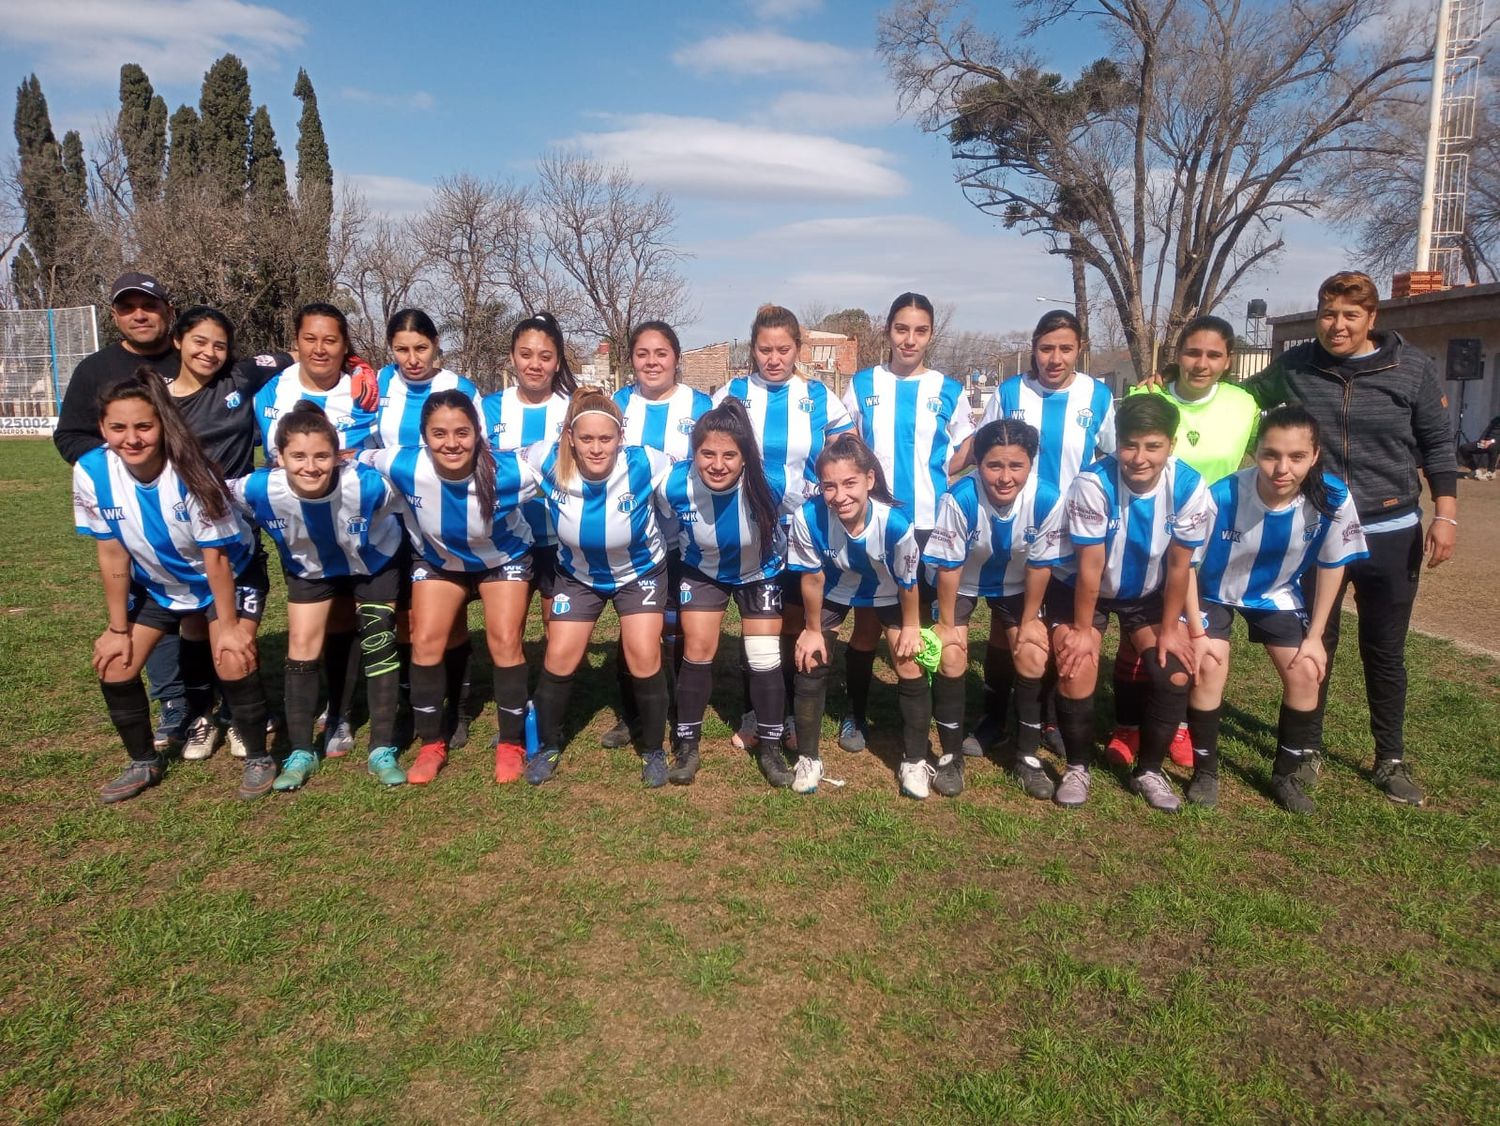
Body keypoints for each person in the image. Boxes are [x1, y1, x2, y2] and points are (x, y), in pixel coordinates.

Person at [1234, 272, 1455, 806]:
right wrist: (1172, 382)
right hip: (1317, 532)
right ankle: (1303, 751)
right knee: (1315, 643)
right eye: (1329, 314)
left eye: (1350, 316)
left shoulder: (1412, 368)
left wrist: (1445, 514)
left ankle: (1390, 759)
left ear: (1371, 319)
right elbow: (1235, 400)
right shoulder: (1297, 365)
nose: (1337, 326)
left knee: (1385, 650)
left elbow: (1438, 443)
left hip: (1391, 528)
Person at [73, 369, 273, 803]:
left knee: (231, 657)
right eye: (118, 427)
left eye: (144, 426)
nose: (132, 438)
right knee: (115, 664)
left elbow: (216, 558)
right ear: (103, 428)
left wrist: (231, 625)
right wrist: (117, 628)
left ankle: (259, 755)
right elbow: (111, 553)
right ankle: (143, 762)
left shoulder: (192, 472)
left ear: (162, 425)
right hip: (160, 585)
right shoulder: (91, 470)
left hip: (229, 576)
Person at [1186, 406, 1368, 811]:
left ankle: (1286, 774)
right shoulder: (1222, 495)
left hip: (1275, 592)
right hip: (1211, 592)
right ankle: (1205, 771)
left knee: (1306, 671)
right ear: (1255, 451)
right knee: (1209, 665)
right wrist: (1196, 634)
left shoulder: (1333, 497)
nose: (1282, 468)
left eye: (1296, 457)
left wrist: (1316, 637)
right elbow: (1185, 567)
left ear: (1315, 455)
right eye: (1271, 454)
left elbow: (1332, 565)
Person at [360, 392, 539, 786]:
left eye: (462, 432)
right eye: (439, 433)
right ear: (424, 436)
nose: (452, 443)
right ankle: (431, 743)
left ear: (478, 433)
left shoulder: (510, 471)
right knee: (424, 641)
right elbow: (358, 458)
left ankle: (511, 745)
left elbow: (555, 466)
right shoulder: (402, 463)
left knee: (505, 640)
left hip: (503, 559)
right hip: (439, 562)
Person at [1043, 394, 1210, 813]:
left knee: (1173, 672)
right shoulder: (1093, 483)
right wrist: (1083, 632)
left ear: (1171, 445)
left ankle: (1148, 771)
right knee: (1076, 664)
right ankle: (1078, 766)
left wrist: (1172, 629)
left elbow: (1178, 567)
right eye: (1129, 445)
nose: (1139, 457)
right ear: (1117, 443)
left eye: (1152, 446)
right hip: (1084, 589)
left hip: (1146, 592)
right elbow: (1089, 566)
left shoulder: (1190, 487)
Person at [231, 401, 409, 790]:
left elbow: (411, 502)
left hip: (374, 561)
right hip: (310, 568)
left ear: (339, 456)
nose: (310, 466)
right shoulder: (259, 488)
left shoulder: (368, 484)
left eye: (321, 456)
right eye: (298, 456)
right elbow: (214, 500)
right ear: (279, 457)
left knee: (378, 640)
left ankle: (382, 747)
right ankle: (301, 751)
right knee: (301, 647)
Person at [1109, 315, 1260, 771]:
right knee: (1135, 634)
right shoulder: (1145, 396)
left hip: (1209, 540)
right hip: (1144, 533)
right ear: (1176, 355)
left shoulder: (1244, 404)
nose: (1201, 363)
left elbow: (1264, 457)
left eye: (1214, 355)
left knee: (1192, 634)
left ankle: (1176, 725)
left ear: (1228, 360)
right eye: (1193, 352)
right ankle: (1127, 725)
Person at [969, 308, 1116, 757]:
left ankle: (1048, 716)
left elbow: (1112, 457)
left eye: (1065, 348)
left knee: (1061, 625)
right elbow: (986, 445)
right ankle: (995, 715)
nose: (1055, 358)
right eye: (1046, 348)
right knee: (1005, 624)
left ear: (1079, 350)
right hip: (1019, 528)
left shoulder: (1098, 395)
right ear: (1034, 348)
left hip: (1075, 532)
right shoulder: (1012, 391)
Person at [713, 305, 854, 750]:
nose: (773, 359)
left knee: (793, 617)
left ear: (799, 350)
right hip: (748, 523)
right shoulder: (732, 392)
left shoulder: (818, 396)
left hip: (806, 525)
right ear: (752, 348)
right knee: (760, 620)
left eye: (783, 350)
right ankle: (755, 713)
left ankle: (790, 710)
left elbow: (844, 451)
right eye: (764, 349)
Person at [839, 291, 974, 754]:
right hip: (875, 523)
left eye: (919, 330)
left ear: (930, 334)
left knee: (928, 623)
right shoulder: (861, 384)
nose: (909, 339)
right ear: (888, 332)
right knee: (868, 626)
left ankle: (929, 710)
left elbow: (962, 450)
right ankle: (854, 716)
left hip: (928, 524)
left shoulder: (949, 390)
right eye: (901, 329)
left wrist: (938, 476)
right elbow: (847, 445)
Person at [55, 273, 187, 749]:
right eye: (128, 307)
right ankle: (174, 704)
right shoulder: (95, 369)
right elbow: (69, 435)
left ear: (167, 310)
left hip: (192, 510)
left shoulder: (190, 358)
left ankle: (212, 700)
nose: (139, 314)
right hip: (130, 516)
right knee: (149, 604)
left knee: (200, 606)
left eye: (148, 306)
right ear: (115, 316)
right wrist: (120, 469)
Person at [524, 391, 675, 787]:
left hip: (639, 571)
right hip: (578, 575)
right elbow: (493, 462)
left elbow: (692, 477)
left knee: (643, 652)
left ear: (620, 436)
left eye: (605, 439)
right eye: (586, 439)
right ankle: (547, 745)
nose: (596, 448)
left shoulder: (645, 461)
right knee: (559, 655)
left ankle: (654, 749)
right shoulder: (544, 459)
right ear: (570, 437)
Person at [253, 303, 380, 761]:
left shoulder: (368, 390)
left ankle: (341, 713)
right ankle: (315, 718)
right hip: (301, 532)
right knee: (310, 630)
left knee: (350, 621)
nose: (320, 348)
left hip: (361, 531)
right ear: (296, 343)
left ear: (346, 347)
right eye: (311, 339)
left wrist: (364, 368)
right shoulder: (270, 392)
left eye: (331, 340)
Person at [655, 399, 798, 787]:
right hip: (703, 572)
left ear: (745, 456)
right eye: (707, 454)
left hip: (760, 571)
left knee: (764, 654)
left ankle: (770, 747)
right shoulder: (672, 484)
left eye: (729, 455)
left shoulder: (774, 480)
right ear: (694, 452)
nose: (718, 464)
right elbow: (659, 524)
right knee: (698, 649)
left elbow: (816, 507)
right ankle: (687, 745)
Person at [923, 419, 1067, 800]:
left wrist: (1031, 618)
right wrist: (947, 624)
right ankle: (951, 756)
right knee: (952, 654)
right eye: (994, 465)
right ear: (978, 464)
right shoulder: (961, 498)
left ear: (1031, 465)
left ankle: (1027, 757)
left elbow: (1040, 565)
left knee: (1034, 654)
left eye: (1016, 466)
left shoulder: (1047, 498)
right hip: (962, 580)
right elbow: (949, 567)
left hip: (1017, 583)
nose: (1005, 477)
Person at [787, 434, 929, 798]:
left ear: (869, 479)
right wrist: (812, 629)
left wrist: (911, 627)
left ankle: (914, 760)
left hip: (887, 590)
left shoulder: (895, 523)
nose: (840, 495)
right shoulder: (808, 516)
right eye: (829, 486)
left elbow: (907, 580)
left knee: (909, 661)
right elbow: (813, 577)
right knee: (811, 659)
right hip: (835, 586)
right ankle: (808, 758)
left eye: (850, 483)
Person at [371, 309, 483, 752]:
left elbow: (477, 449)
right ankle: (410, 705)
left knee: (445, 618)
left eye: (421, 348)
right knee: (403, 619)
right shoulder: (377, 384)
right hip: (388, 517)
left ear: (437, 345)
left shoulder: (460, 388)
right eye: (402, 349)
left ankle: (456, 706)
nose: (412, 358)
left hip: (437, 517)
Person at [600, 320, 712, 751]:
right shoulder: (617, 404)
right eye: (643, 354)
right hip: (631, 541)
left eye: (660, 353)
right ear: (631, 360)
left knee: (681, 626)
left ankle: (682, 711)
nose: (652, 362)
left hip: (686, 538)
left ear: (676, 358)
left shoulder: (700, 404)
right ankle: (632, 715)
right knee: (636, 630)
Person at [481, 311, 578, 613]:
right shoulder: (489, 407)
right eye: (525, 354)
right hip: (506, 536)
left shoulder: (573, 406)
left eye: (545, 357)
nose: (534, 364)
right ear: (512, 357)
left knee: (557, 629)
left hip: (559, 538)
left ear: (557, 362)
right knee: (509, 629)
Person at [1459, 414, 1500, 479]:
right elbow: (1487, 431)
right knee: (1464, 448)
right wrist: (1481, 440)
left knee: (1493, 447)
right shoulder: (1496, 419)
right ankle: (1475, 470)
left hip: (1495, 444)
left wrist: (1490, 441)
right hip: (1485, 444)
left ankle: (1491, 472)